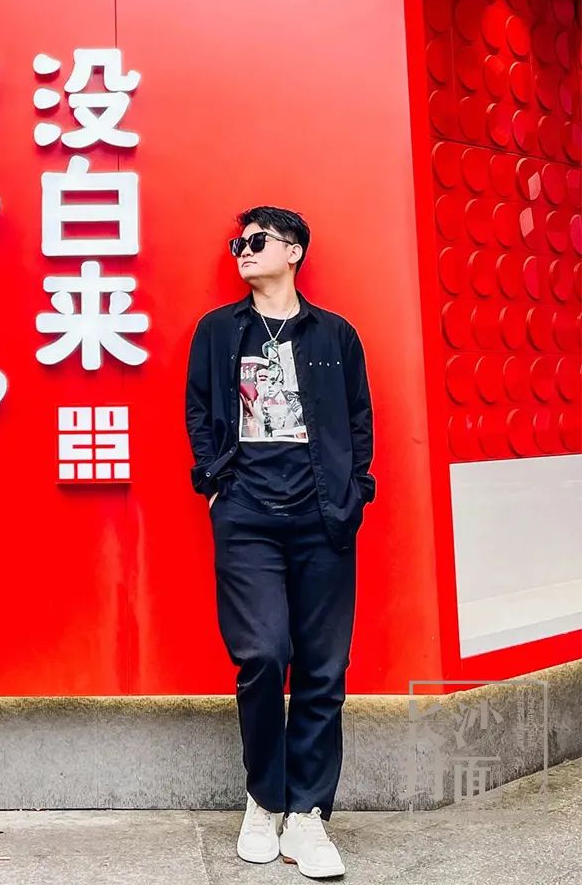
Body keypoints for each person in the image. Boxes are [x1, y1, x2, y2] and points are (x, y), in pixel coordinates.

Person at [184, 206, 375, 880]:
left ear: (293, 251)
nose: (242, 249)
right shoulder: (218, 330)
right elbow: (199, 411)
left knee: (324, 668)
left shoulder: (335, 335)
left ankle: (308, 814)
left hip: (323, 517)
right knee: (263, 655)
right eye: (237, 241)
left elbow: (358, 420)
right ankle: (264, 799)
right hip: (247, 518)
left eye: (256, 240)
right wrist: (214, 485)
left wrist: (354, 494)